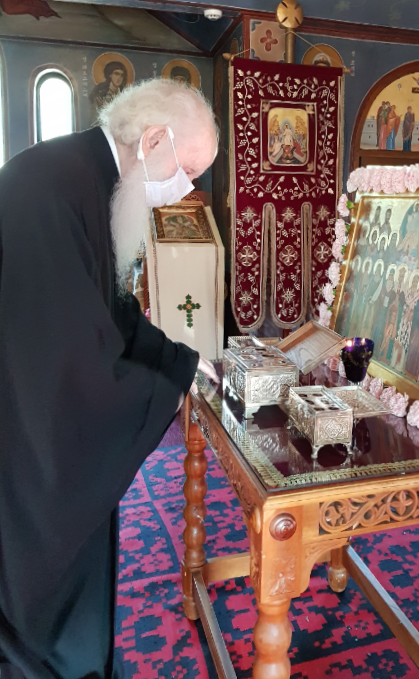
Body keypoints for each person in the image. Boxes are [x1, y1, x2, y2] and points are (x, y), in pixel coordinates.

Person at [0, 79, 220, 679]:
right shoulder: (49, 188)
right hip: (30, 436)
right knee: (42, 576)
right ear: (154, 139)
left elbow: (111, 313)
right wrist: (159, 391)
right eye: (189, 170)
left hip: (42, 420)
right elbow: (66, 361)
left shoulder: (90, 179)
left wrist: (181, 362)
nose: (188, 189)